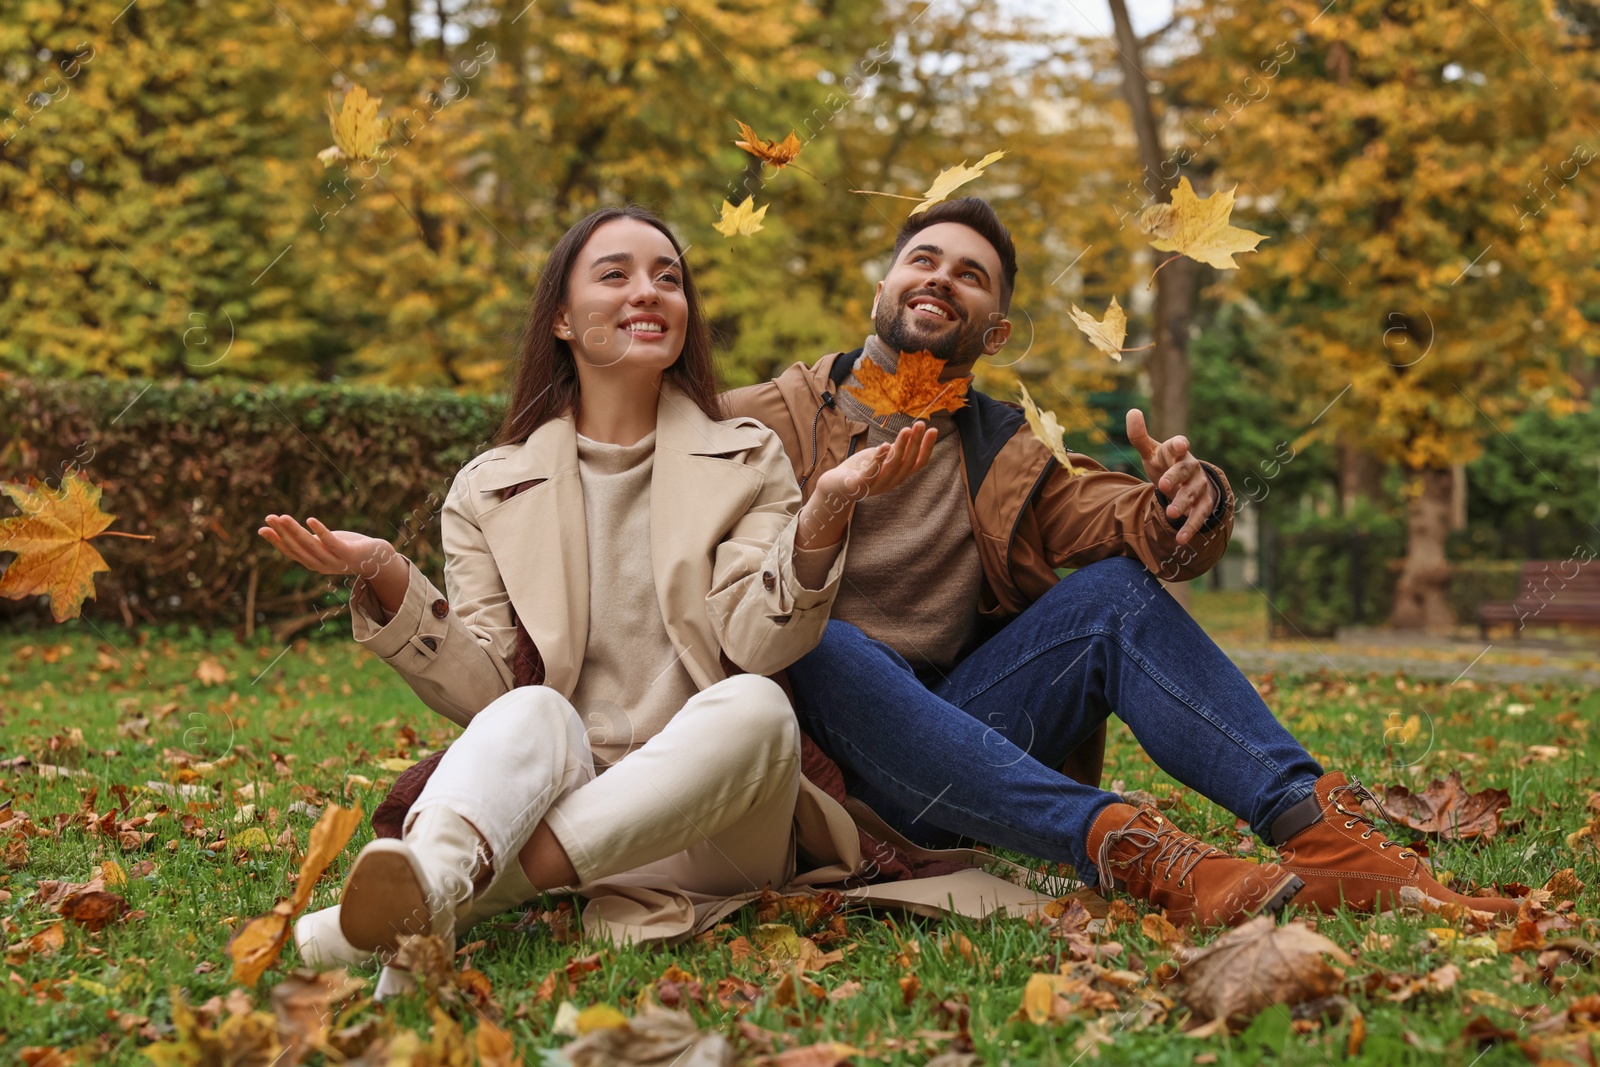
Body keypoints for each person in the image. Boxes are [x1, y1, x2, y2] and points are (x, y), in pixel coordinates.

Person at [723, 197, 1526, 926]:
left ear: (994, 332)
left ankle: (1326, 838)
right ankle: (1129, 846)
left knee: (1116, 595)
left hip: (952, 768)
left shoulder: (1005, 452)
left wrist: (1189, 495)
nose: (942, 279)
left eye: (972, 275)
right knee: (809, 626)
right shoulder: (769, 415)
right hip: (815, 784)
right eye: (924, 260)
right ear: (883, 288)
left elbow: (1134, 521)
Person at [258, 206, 941, 978]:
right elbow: (486, 693)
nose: (648, 292)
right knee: (532, 707)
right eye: (615, 274)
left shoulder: (749, 458)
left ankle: (442, 898)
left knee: (755, 706)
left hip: (713, 821)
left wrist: (822, 514)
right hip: (564, 791)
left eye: (668, 278)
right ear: (561, 318)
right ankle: (437, 888)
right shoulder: (487, 488)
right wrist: (386, 570)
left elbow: (761, 643)